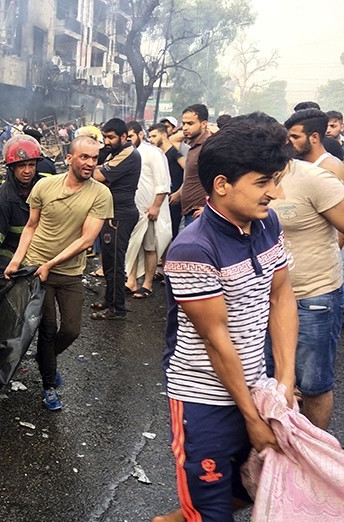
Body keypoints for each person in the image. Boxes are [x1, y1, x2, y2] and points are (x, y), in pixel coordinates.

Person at [157, 114, 297, 522]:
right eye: (262, 182)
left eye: (275, 179)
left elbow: (282, 295)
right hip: (205, 401)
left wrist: (284, 384)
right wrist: (252, 419)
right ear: (221, 185)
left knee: (254, 489)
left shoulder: (267, 222)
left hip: (256, 385)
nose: (274, 192)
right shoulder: (193, 249)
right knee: (210, 509)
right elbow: (217, 342)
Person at [5, 136, 112, 410]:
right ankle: (49, 385)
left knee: (71, 330)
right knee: (49, 329)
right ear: (69, 158)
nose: (89, 163)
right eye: (84, 157)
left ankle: (45, 362)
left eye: (94, 159)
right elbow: (31, 226)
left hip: (67, 272)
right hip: (37, 269)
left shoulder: (100, 194)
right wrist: (17, 261)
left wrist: (51, 264)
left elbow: (87, 240)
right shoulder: (44, 185)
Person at [265, 113, 344, 430]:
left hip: (315, 298)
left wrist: (323, 255)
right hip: (265, 298)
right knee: (271, 380)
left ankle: (314, 450)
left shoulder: (314, 178)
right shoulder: (254, 179)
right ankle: (280, 451)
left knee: (313, 383)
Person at [0, 135, 44, 286]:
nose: (27, 171)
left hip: (38, 253)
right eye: (21, 166)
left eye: (31, 165)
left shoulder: (44, 187)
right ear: (12, 167)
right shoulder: (4, 197)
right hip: (9, 255)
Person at [90, 118, 141, 320]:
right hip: (112, 212)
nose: (107, 141)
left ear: (123, 136)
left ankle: (117, 309)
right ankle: (109, 300)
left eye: (111, 137)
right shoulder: (115, 152)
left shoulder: (129, 153)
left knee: (116, 263)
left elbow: (99, 175)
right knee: (109, 261)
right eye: (105, 137)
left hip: (120, 214)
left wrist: (89, 167)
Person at [124, 121, 171, 299]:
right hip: (132, 209)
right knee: (132, 246)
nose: (128, 140)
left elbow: (163, 183)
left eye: (131, 137)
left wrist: (156, 206)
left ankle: (148, 284)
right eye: (125, 138)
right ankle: (131, 281)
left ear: (140, 135)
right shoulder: (126, 154)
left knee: (149, 248)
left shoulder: (152, 153)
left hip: (149, 210)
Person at [169, 104, 212, 227]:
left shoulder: (208, 148)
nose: (185, 128)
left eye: (190, 123)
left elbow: (220, 180)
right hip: (188, 212)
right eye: (184, 123)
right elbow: (172, 139)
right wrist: (179, 193)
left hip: (199, 214)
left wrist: (210, 209)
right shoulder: (193, 147)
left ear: (204, 124)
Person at [284, 109, 344, 180]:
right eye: (288, 137)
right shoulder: (296, 163)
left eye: (295, 137)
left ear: (314, 137)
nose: (289, 141)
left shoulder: (331, 169)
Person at [148, 123, 185, 239]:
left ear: (163, 135)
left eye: (154, 136)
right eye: (149, 137)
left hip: (174, 200)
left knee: (171, 233)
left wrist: (179, 192)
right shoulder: (158, 154)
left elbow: (190, 171)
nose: (151, 140)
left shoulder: (173, 152)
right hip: (164, 200)